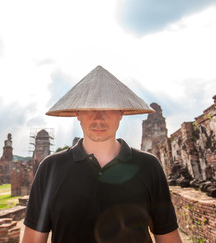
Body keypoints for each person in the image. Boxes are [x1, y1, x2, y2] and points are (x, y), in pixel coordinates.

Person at [23, 66, 182, 243]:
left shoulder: (148, 166)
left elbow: (167, 237)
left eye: (108, 108)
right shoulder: (50, 168)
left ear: (121, 112)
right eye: (90, 108)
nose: (99, 118)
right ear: (78, 113)